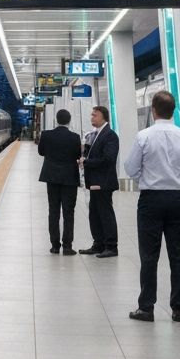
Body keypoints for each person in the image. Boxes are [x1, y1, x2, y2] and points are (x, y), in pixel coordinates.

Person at [125, 90, 180, 323]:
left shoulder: (144, 137)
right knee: (178, 256)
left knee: (149, 256)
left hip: (151, 200)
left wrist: (145, 175)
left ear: (153, 110)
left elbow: (130, 169)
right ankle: (178, 308)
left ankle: (146, 307)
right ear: (174, 110)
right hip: (178, 200)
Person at [37, 108, 82, 254]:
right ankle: (67, 246)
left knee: (53, 210)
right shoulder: (75, 137)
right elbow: (77, 154)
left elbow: (41, 152)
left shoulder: (46, 135)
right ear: (69, 121)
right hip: (69, 178)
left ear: (56, 119)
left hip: (52, 177)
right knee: (69, 212)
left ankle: (55, 245)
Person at [79, 105, 120, 258]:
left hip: (103, 182)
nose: (92, 117)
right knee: (94, 214)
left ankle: (111, 246)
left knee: (105, 213)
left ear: (103, 117)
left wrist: (87, 162)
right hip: (95, 181)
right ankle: (98, 244)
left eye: (94, 115)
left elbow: (109, 159)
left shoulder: (110, 135)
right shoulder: (95, 135)